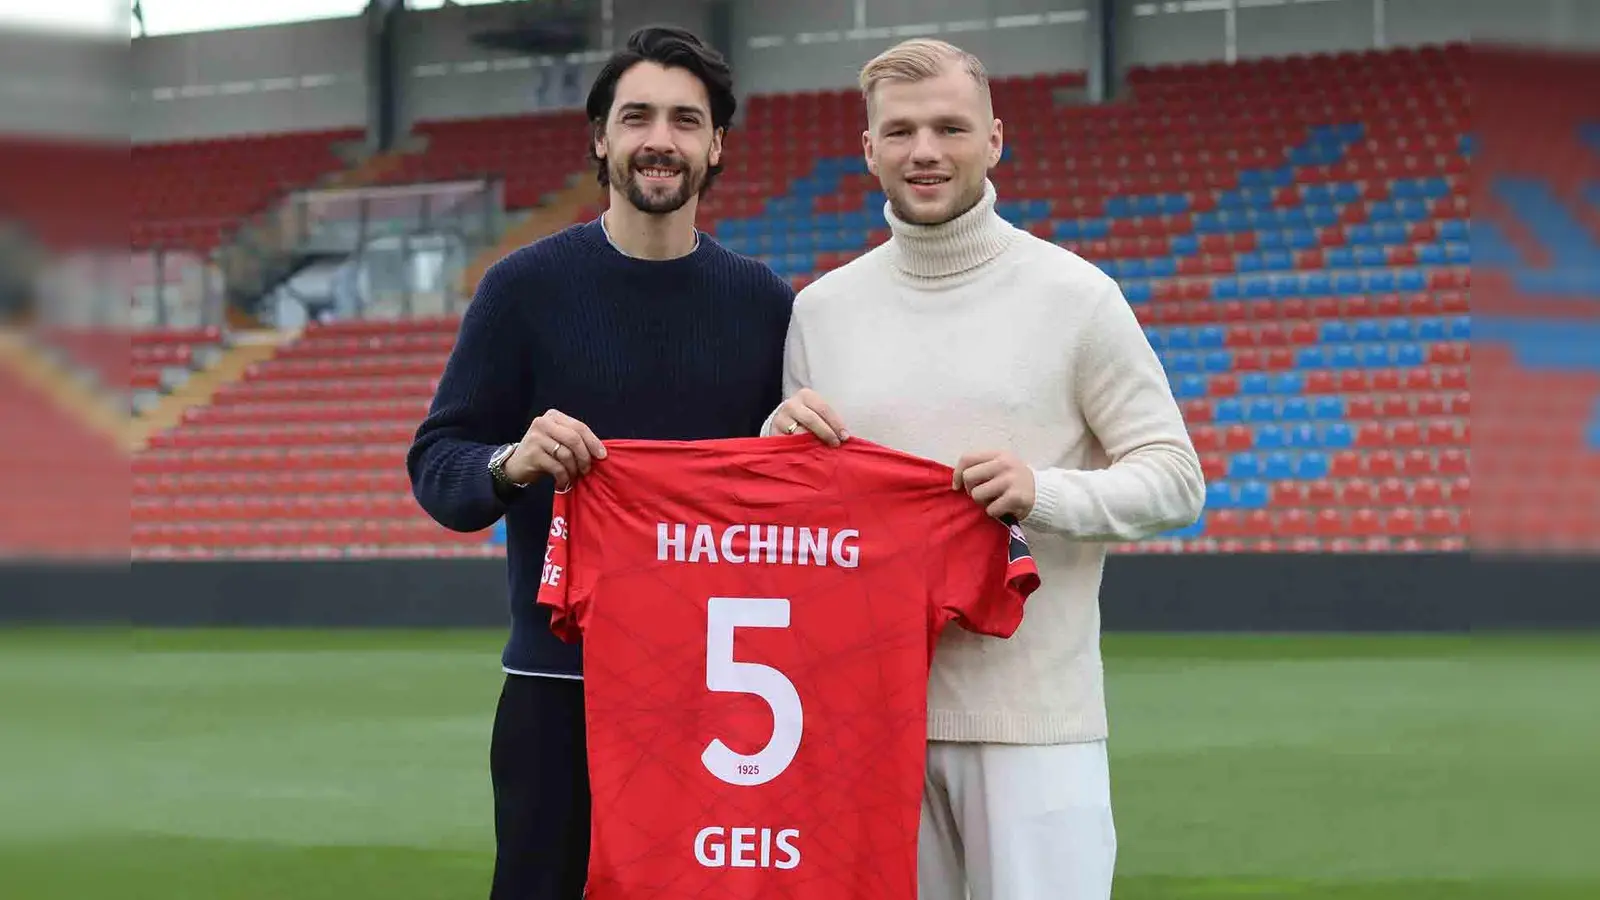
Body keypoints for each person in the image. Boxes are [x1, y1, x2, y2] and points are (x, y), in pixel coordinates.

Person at [764, 39, 1205, 900]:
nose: (924, 150)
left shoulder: (1076, 297)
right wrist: (780, 446)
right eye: (900, 131)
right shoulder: (821, 312)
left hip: (1036, 729)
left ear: (994, 139)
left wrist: (1046, 492)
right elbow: (802, 524)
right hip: (866, 729)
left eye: (949, 127)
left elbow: (1176, 479)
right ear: (869, 150)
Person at [407, 25, 795, 900]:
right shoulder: (523, 288)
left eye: (686, 120)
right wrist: (513, 460)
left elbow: (794, 490)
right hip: (558, 684)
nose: (661, 138)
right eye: (637, 116)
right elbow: (440, 463)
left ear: (717, 145)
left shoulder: (766, 305)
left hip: (721, 693)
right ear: (600, 138)